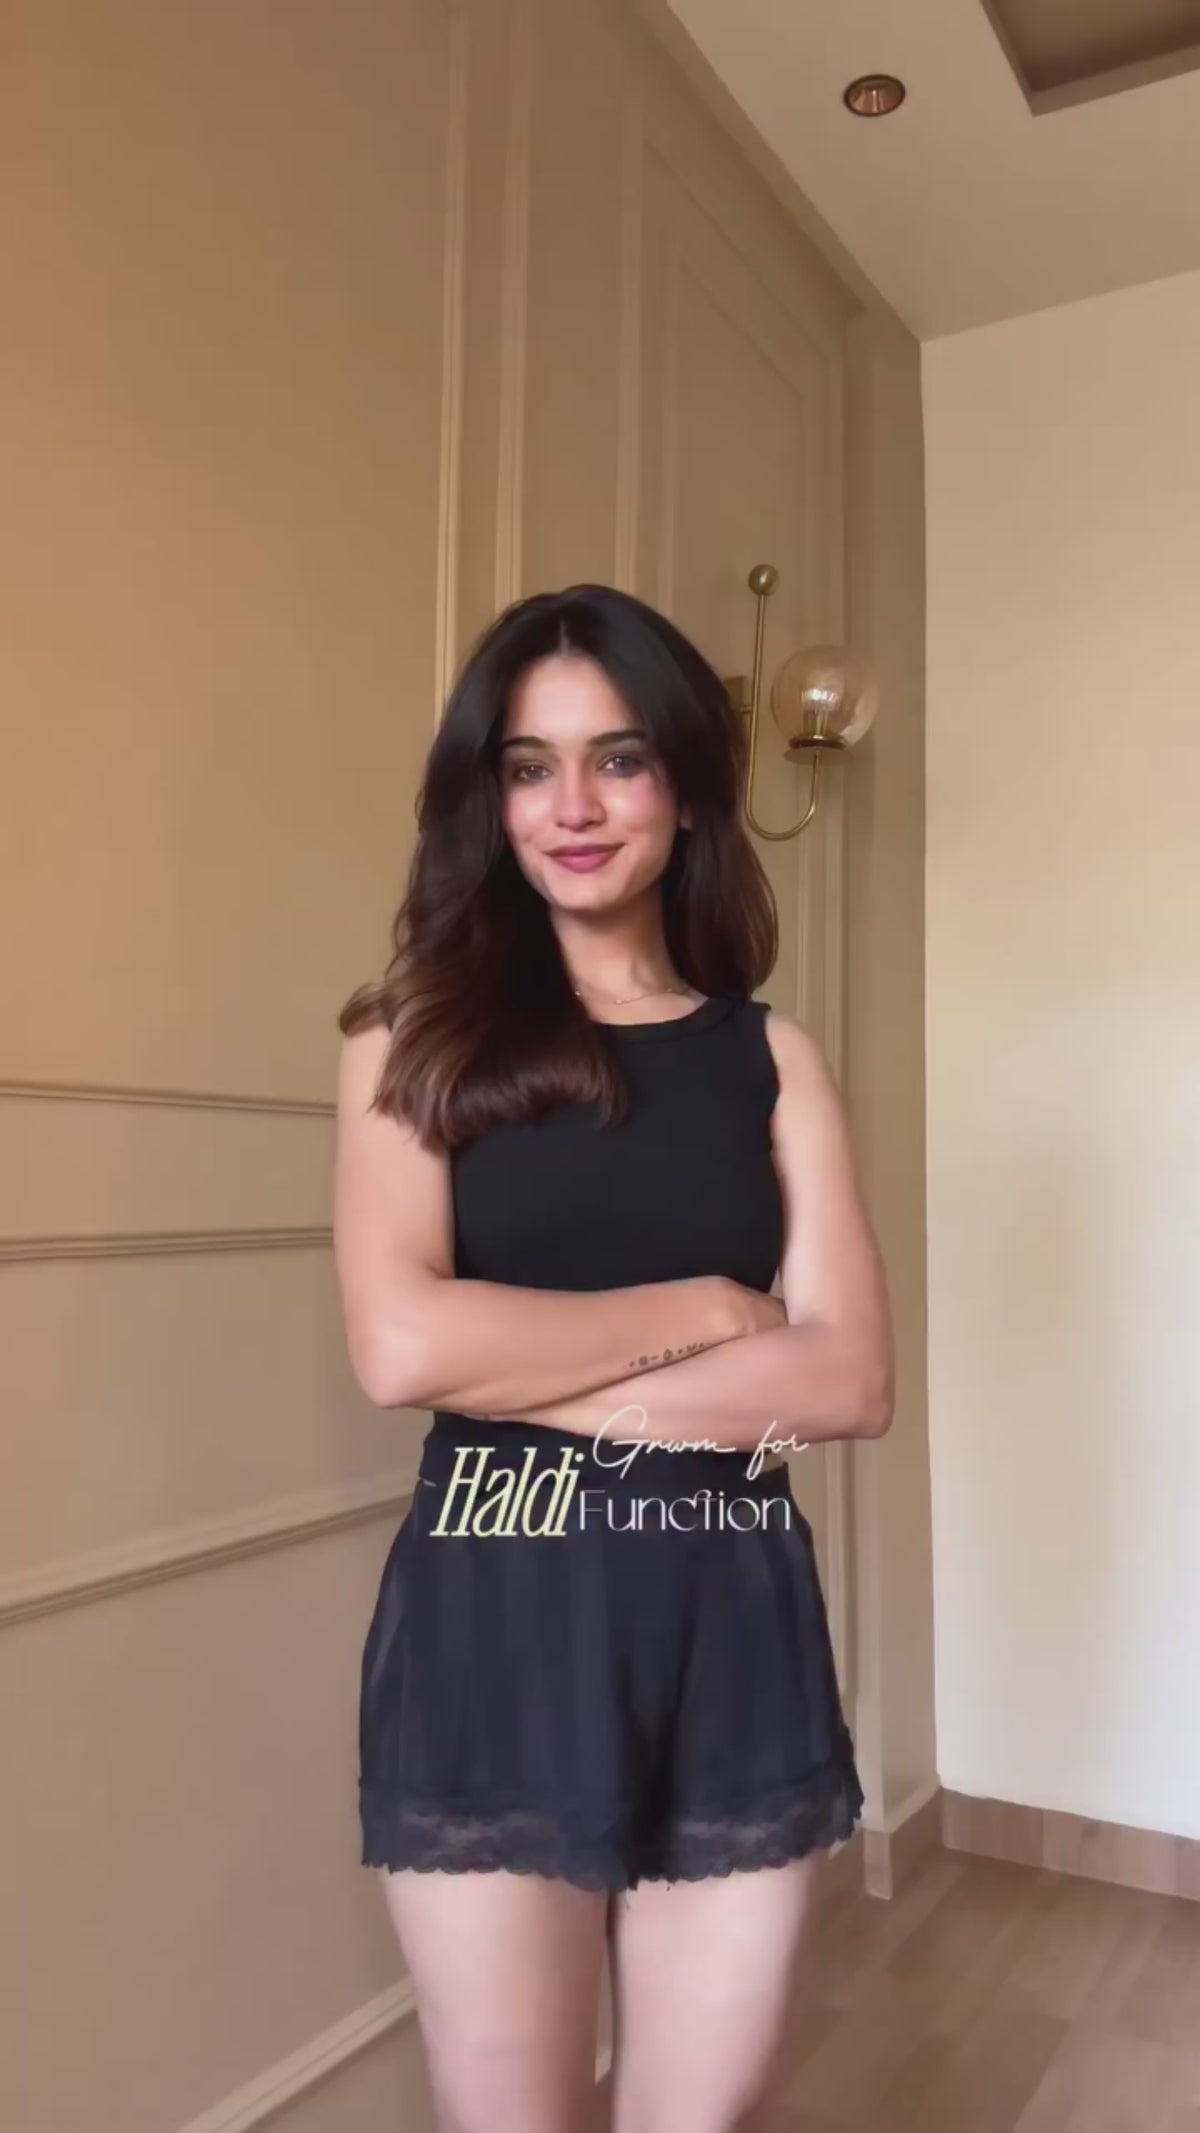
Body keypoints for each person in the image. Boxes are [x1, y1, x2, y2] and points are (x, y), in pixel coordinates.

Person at [332, 582, 893, 2133]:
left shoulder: (770, 1056)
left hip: (732, 1619)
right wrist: (710, 1305)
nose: (571, 806)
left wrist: (517, 1369)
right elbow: (401, 1344)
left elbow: (847, 1381)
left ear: (690, 783)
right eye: (530, 766)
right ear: (490, 797)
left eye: (619, 757)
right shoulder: (407, 1037)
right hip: (492, 1621)